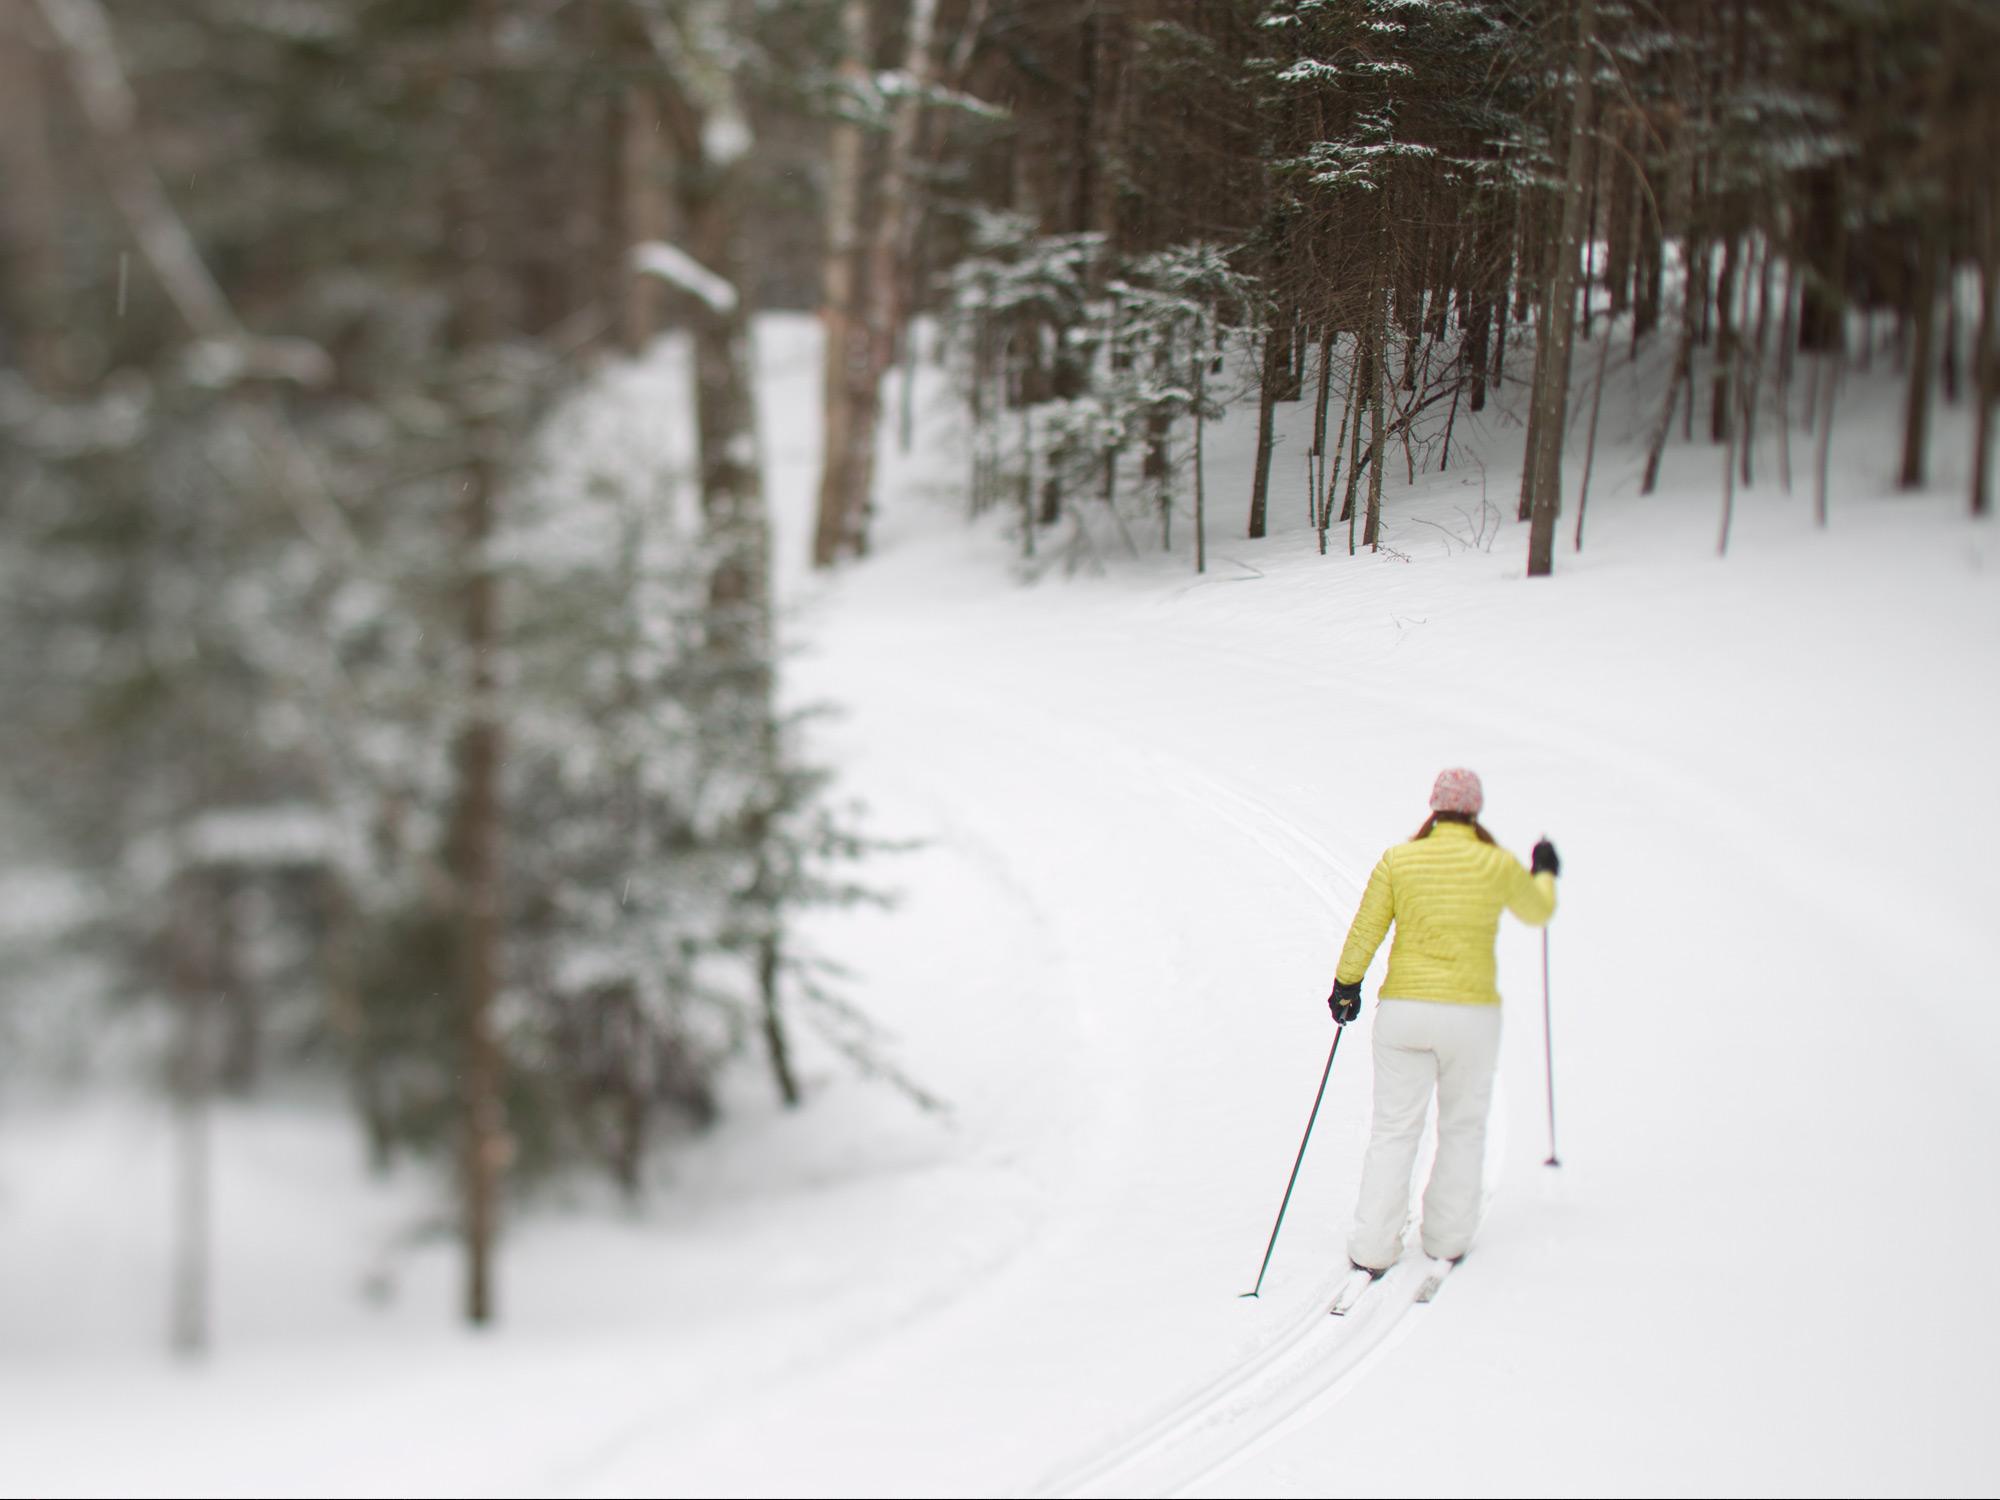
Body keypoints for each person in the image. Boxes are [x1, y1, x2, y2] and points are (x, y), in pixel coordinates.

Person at [1327, 768, 1558, 1275]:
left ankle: (1372, 1246)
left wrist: (1347, 985)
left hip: (1405, 1014)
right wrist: (1544, 869)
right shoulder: (1494, 863)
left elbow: (1367, 927)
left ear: (1434, 806)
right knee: (1462, 1127)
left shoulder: (1399, 860)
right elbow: (1538, 911)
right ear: (1475, 811)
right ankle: (1447, 1238)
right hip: (1471, 1018)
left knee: (1393, 1129)